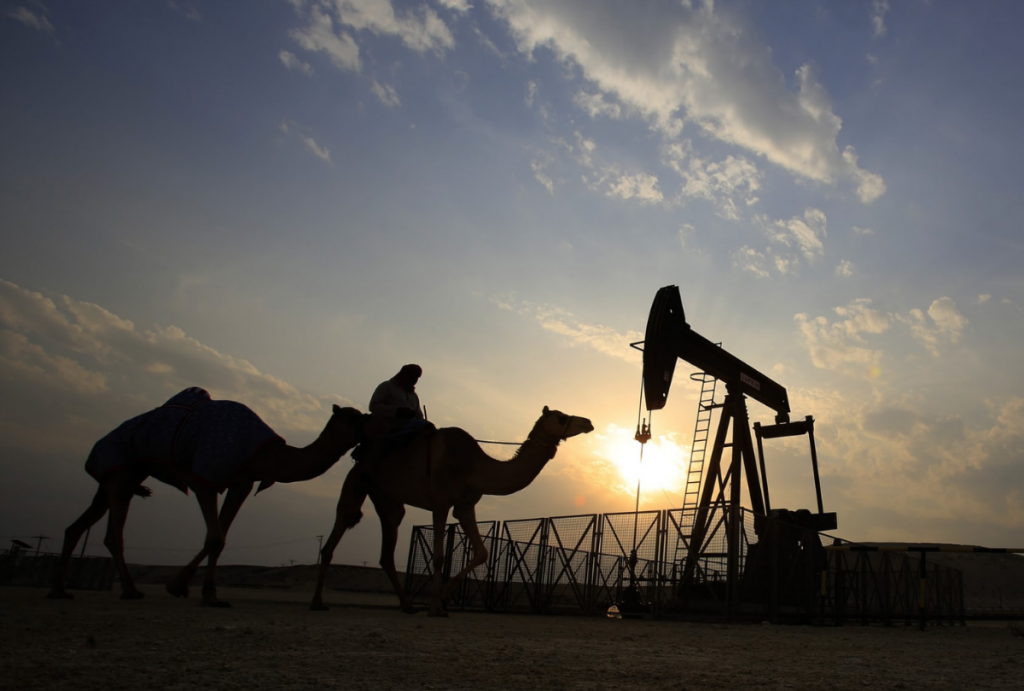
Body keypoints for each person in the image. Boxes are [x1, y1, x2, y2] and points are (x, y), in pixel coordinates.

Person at [352, 364, 429, 463]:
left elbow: (419, 415)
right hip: (389, 429)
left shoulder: (413, 396)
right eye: (412, 375)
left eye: (417, 377)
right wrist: (397, 412)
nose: (414, 379)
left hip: (410, 429)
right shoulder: (387, 386)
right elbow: (374, 406)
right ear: (404, 374)